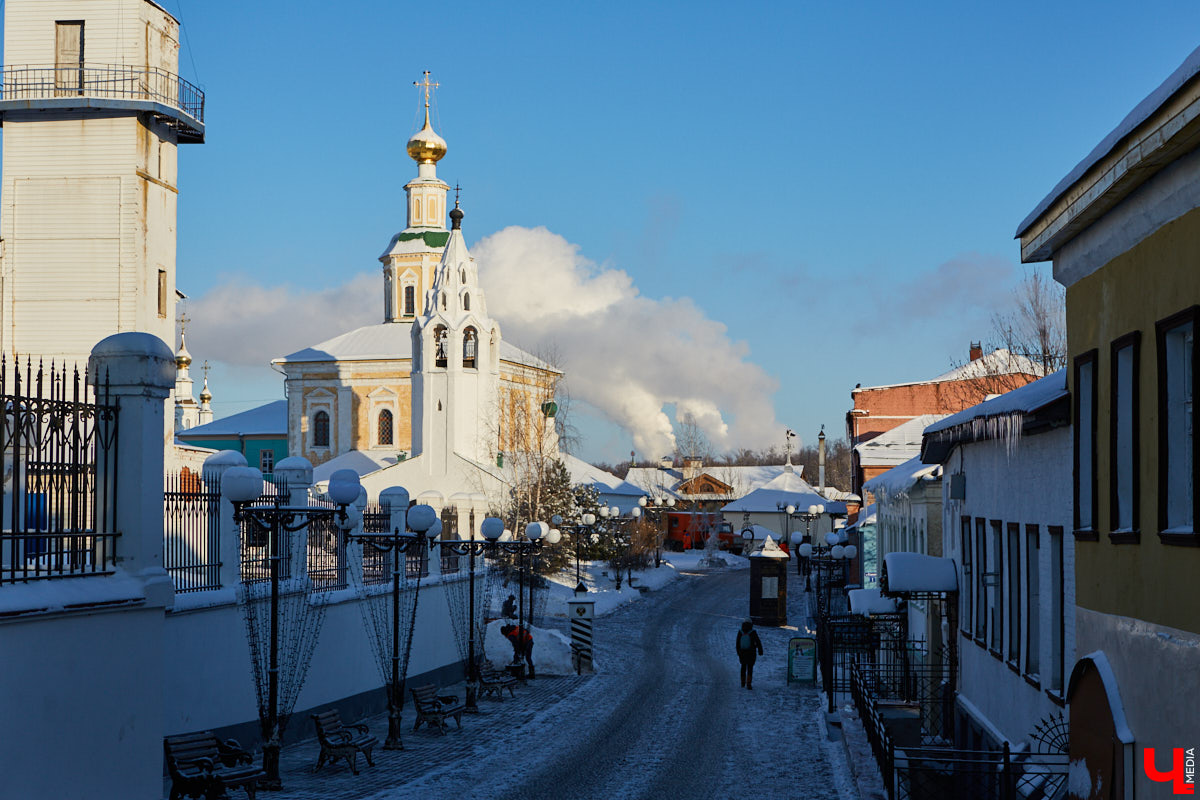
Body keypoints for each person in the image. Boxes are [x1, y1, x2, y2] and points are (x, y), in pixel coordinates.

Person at [735, 619, 764, 689]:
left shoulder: (740, 632)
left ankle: (742, 683)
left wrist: (738, 652)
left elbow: (737, 643)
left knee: (743, 666)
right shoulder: (753, 632)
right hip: (751, 653)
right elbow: (758, 642)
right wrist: (760, 651)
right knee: (750, 667)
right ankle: (748, 683)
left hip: (742, 652)